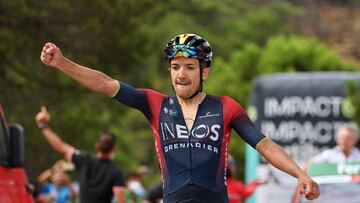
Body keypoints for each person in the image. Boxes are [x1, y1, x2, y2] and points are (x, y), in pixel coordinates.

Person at [39, 33, 319, 203]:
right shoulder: (154, 104)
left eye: (189, 67)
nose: (181, 74)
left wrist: (299, 174)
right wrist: (63, 63)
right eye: (175, 67)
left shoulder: (226, 107)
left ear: (204, 72)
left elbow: (263, 143)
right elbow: (105, 83)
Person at [35, 107, 126, 203]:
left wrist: (43, 126)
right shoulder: (116, 172)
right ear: (114, 148)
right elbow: (121, 201)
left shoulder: (84, 160)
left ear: (97, 146)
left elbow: (61, 146)